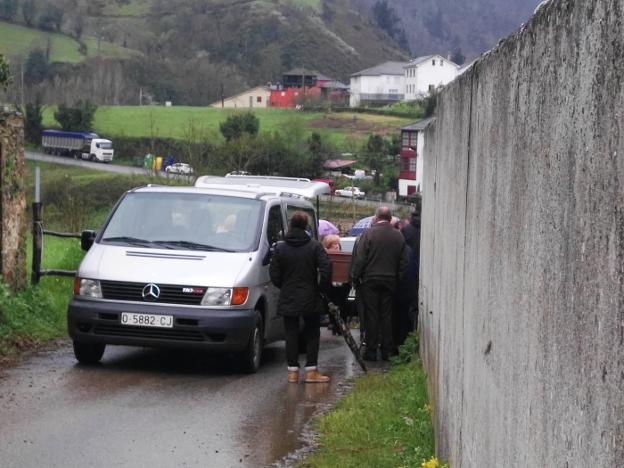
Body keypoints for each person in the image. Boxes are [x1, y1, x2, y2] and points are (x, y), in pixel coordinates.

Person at [269, 211, 332, 383]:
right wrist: (320, 288)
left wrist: (284, 286)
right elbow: (326, 269)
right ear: (306, 227)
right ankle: (311, 371)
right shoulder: (314, 246)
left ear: (290, 225)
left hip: (288, 294)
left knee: (291, 333)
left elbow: (273, 273)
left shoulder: (280, 247)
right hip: (310, 295)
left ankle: (292, 372)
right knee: (312, 332)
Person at [351, 206, 408, 361]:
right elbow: (404, 262)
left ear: (376, 218)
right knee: (386, 315)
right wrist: (398, 278)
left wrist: (355, 277)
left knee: (372, 315)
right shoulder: (398, 236)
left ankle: (371, 350)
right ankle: (387, 350)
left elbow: (360, 259)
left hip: (370, 280)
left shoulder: (368, 234)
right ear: (390, 219)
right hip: (390, 280)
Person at [321, 234, 351, 335]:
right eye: (334, 244)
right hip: (330, 286)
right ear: (328, 245)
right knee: (332, 306)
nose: (337, 246)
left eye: (338, 244)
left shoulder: (342, 256)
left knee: (343, 306)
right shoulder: (325, 256)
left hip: (343, 286)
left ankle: (341, 326)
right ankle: (335, 325)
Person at [401, 201, 422, 332]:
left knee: (410, 306)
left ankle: (411, 333)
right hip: (426, 273)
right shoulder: (429, 227)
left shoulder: (406, 230)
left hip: (409, 273)